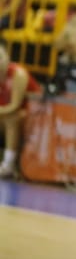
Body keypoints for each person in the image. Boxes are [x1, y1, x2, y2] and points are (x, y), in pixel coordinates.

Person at [0, 42, 40, 179]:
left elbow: (15, 106)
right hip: (5, 113)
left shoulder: (18, 74)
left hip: (33, 115)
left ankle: (8, 164)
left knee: (12, 118)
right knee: (8, 117)